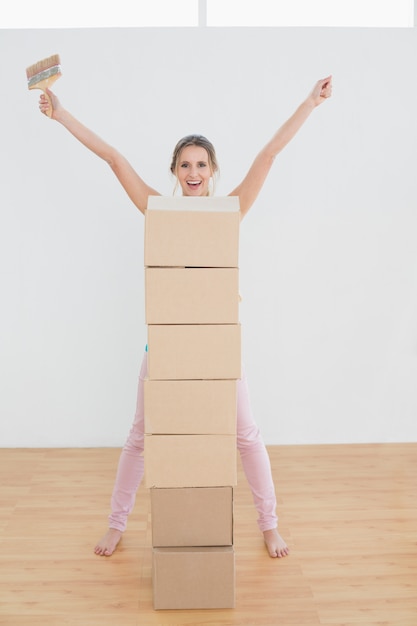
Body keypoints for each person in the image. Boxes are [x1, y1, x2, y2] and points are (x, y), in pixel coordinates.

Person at [38, 75, 332, 559]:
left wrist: (309, 103)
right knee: (139, 436)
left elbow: (268, 156)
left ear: (212, 170)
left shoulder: (230, 210)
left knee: (246, 435)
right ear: (174, 171)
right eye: (184, 165)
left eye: (200, 164)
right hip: (167, 346)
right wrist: (61, 114)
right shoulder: (158, 210)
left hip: (218, 345)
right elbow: (114, 158)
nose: (193, 172)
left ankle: (269, 525)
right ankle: (116, 524)